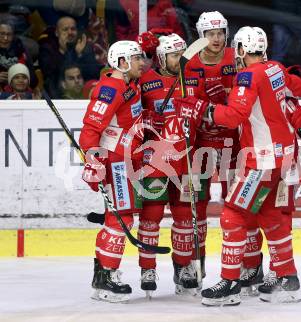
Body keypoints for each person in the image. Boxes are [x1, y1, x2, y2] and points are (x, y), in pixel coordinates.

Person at [174, 26, 301, 306]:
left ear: (243, 50)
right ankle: (287, 278)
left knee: (232, 215)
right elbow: (292, 108)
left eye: (237, 49)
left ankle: (230, 283)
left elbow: (233, 117)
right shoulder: (276, 70)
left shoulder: (247, 75)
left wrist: (200, 109)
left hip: (262, 161)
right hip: (286, 160)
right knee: (273, 218)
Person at [137, 33, 207, 297]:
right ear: (161, 57)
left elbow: (203, 111)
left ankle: (183, 267)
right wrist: (146, 120)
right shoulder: (146, 82)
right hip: (155, 159)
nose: (179, 60)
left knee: (184, 217)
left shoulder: (192, 80)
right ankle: (147, 268)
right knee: (151, 215)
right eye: (174, 55)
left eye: (181, 55)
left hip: (187, 158)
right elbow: (129, 108)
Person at [79, 40, 147, 303]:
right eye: (137, 58)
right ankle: (106, 277)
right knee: (122, 218)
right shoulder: (110, 87)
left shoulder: (129, 84)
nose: (142, 62)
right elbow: (90, 129)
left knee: (119, 216)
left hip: (128, 157)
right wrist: (94, 160)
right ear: (122, 62)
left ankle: (103, 275)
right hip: (117, 160)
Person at [39, 16, 101, 98]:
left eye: (73, 29)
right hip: (57, 96)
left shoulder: (84, 47)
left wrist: (79, 55)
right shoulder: (48, 49)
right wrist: (64, 51)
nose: (70, 32)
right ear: (57, 33)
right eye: (65, 29)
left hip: (82, 95)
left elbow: (94, 74)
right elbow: (51, 75)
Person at [0, 20, 37, 90]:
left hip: (19, 93)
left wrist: (19, 78)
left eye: (9, 34)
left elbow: (33, 80)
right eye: (2, 34)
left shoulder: (21, 50)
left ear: (13, 36)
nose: (5, 38)